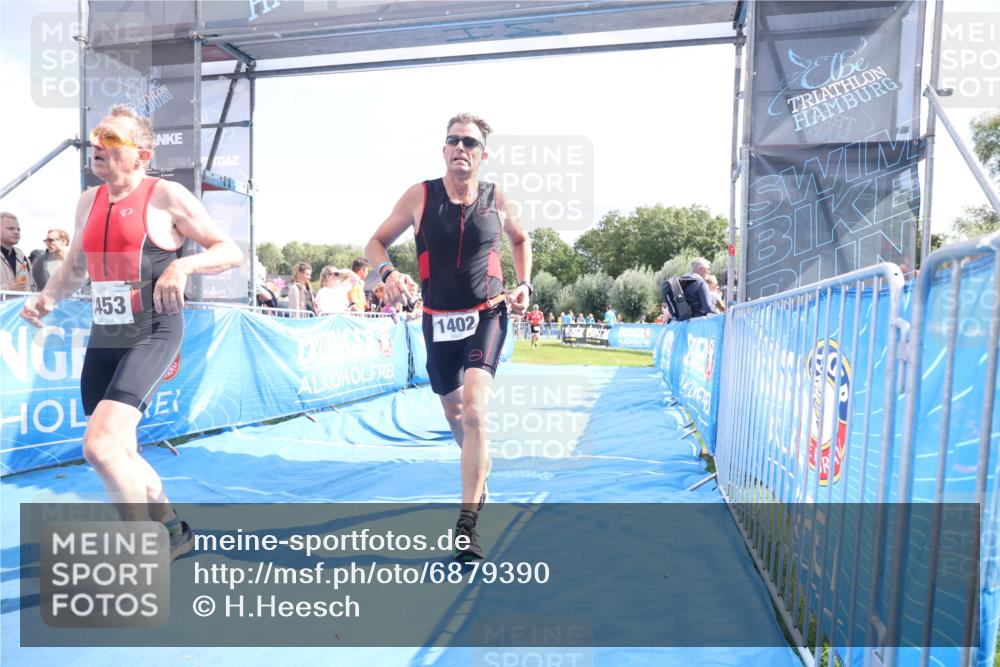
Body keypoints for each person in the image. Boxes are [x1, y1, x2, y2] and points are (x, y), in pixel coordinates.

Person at [20, 104, 242, 559]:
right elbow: (76, 268)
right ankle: (173, 530)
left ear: (140, 155)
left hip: (153, 330)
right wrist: (47, 298)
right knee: (122, 449)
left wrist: (182, 265)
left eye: (112, 138)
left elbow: (229, 250)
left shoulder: (166, 195)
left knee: (99, 447)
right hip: (108, 333)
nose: (98, 143)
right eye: (98, 134)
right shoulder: (89, 200)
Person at [366, 113, 531, 562]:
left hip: (488, 313)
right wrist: (390, 273)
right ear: (443, 150)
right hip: (438, 318)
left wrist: (524, 284)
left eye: (470, 142)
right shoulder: (420, 196)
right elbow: (375, 243)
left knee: (476, 408)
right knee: (455, 411)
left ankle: (467, 524)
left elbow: (521, 240)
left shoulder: (499, 198)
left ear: (483, 154)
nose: (461, 147)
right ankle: (478, 467)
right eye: (453, 140)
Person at [1, 212, 34, 292]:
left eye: (18, 229)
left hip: (22, 304)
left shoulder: (22, 257)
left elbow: (32, 287)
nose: (16, 232)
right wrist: (7, 288)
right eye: (10, 228)